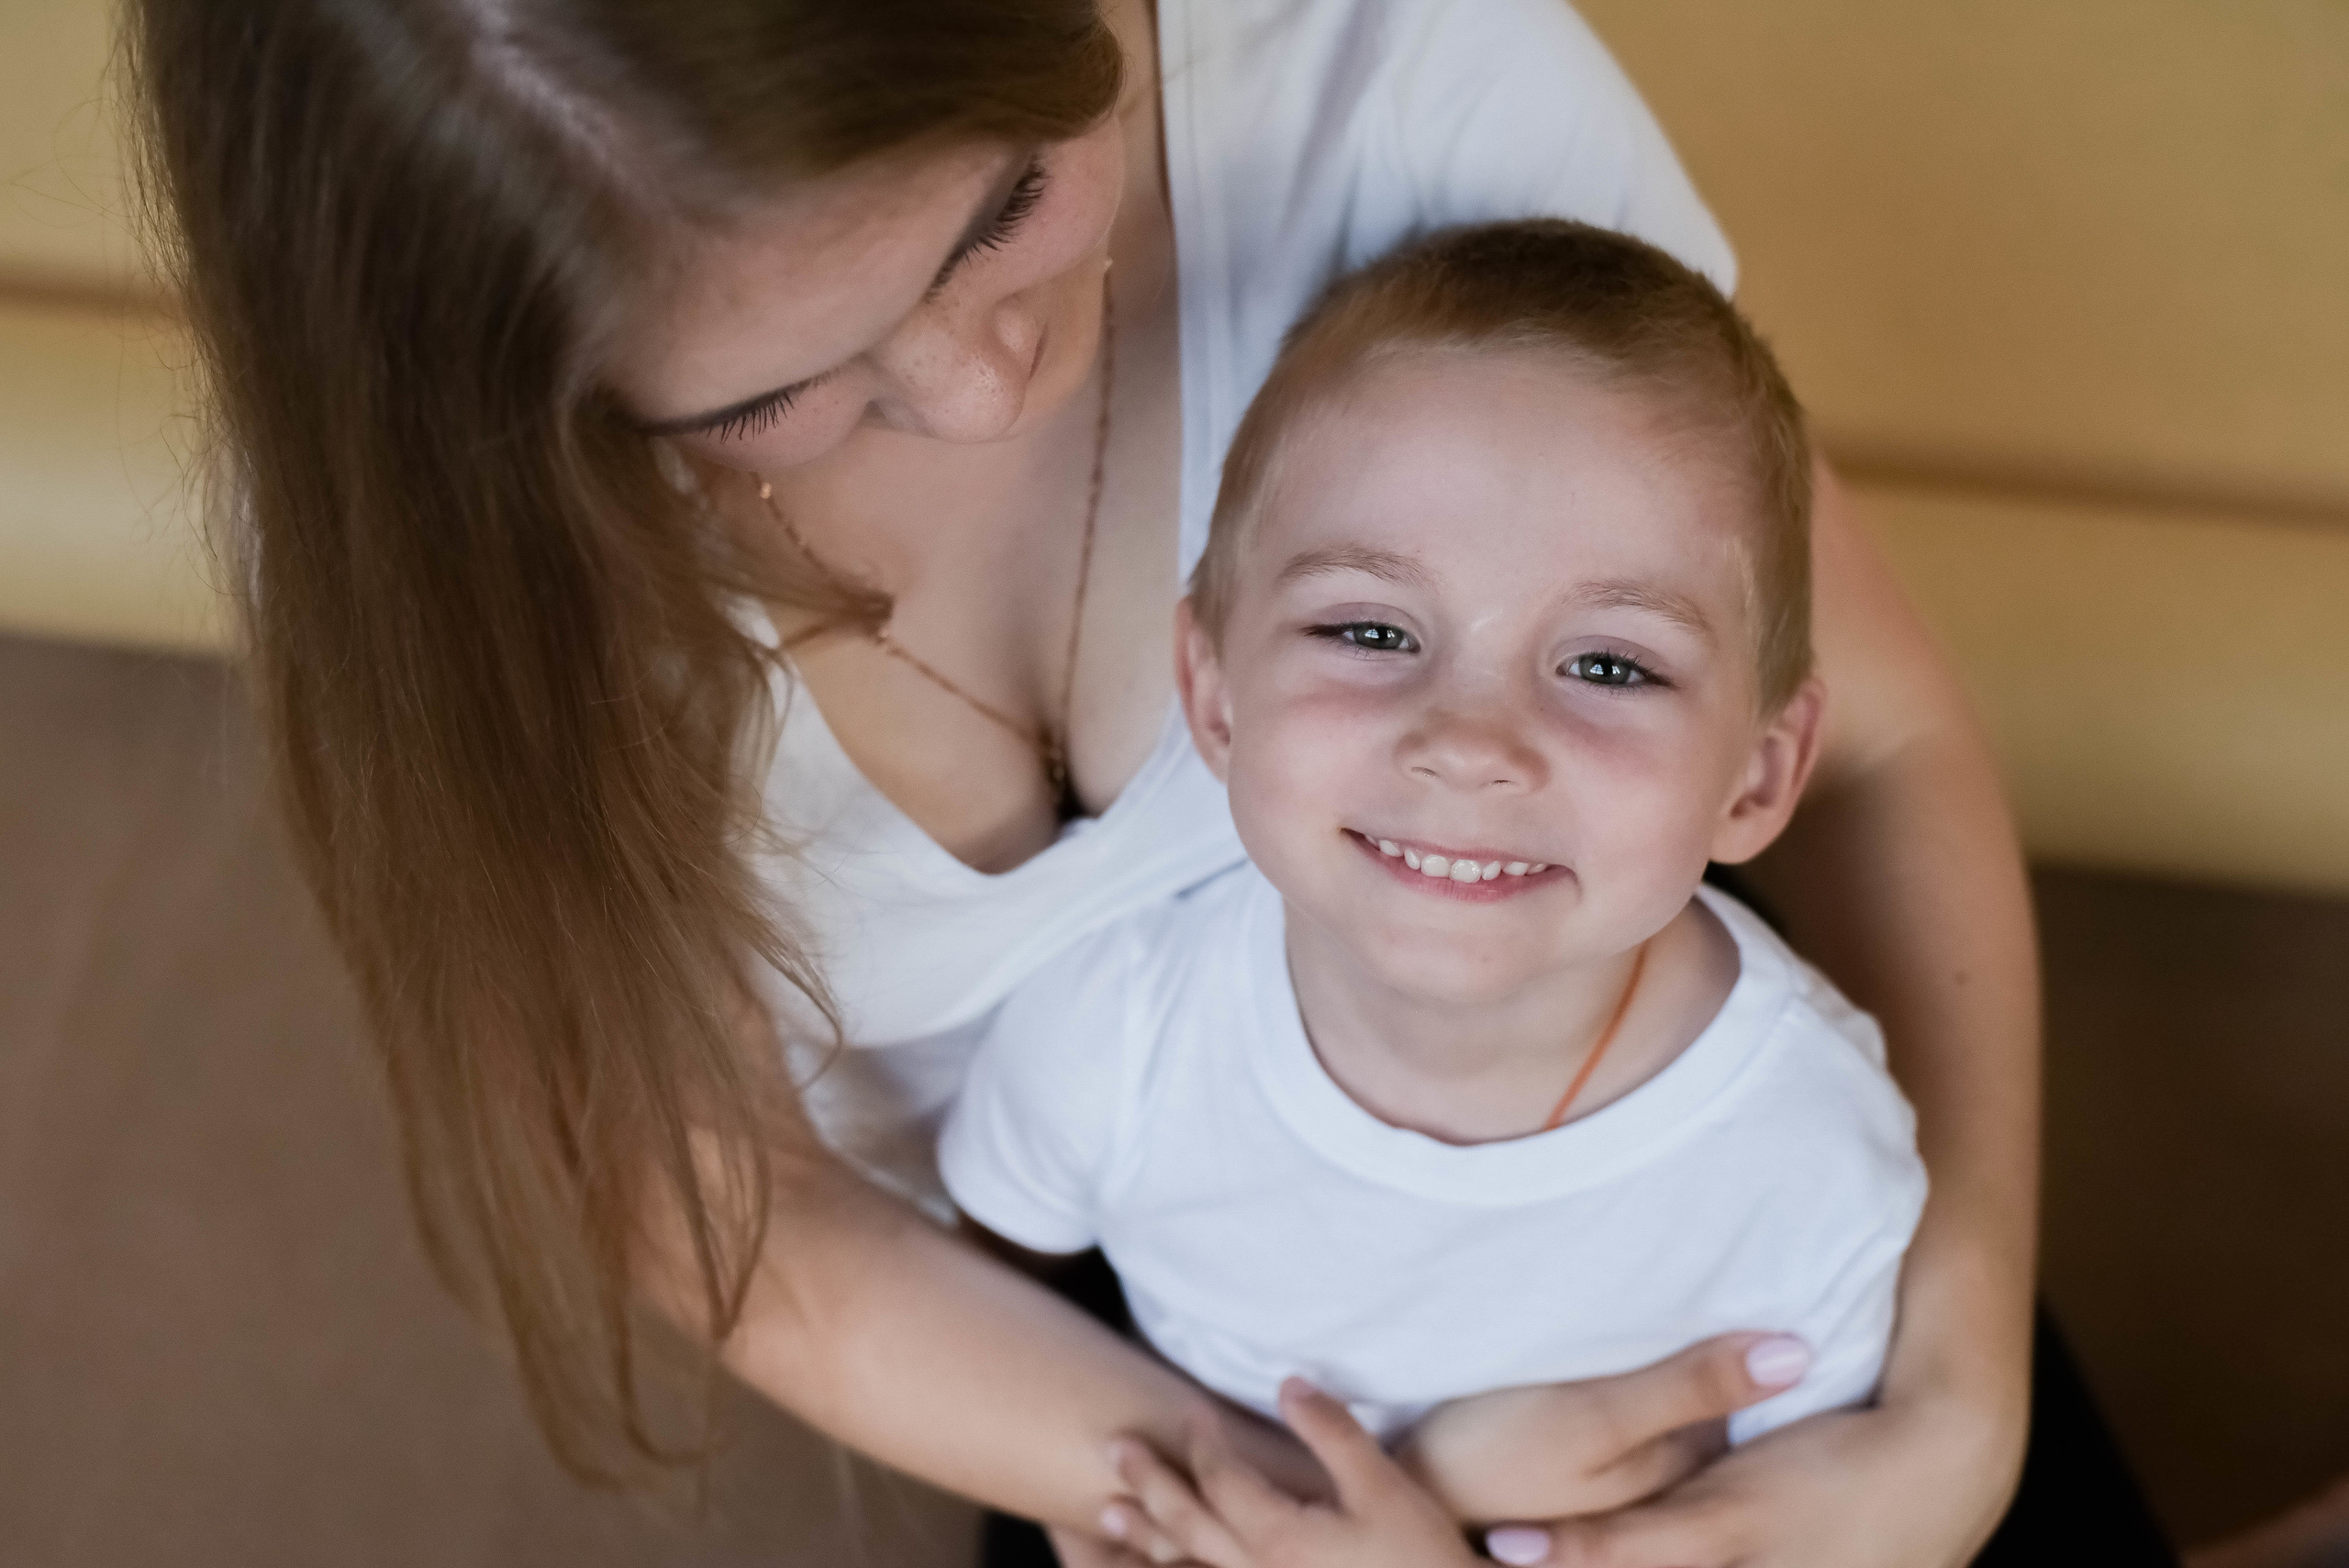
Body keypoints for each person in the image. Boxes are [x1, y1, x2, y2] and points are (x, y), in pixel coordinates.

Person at [129, 0, 2089, 1562]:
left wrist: (1959, 1401)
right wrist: (1295, 1502)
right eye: (765, 397)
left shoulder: (1383, 71)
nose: (985, 386)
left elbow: (1873, 734)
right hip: (1116, 1340)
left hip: (1624, 1077)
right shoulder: (436, 548)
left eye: (1005, 206)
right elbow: (699, 1181)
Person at [940, 218, 1932, 1558]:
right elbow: (1002, 1327)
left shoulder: (1807, 1153)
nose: (1470, 742)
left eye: (1609, 665)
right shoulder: (1113, 1033)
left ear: (1755, 776)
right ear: (1215, 699)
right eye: (1369, 629)